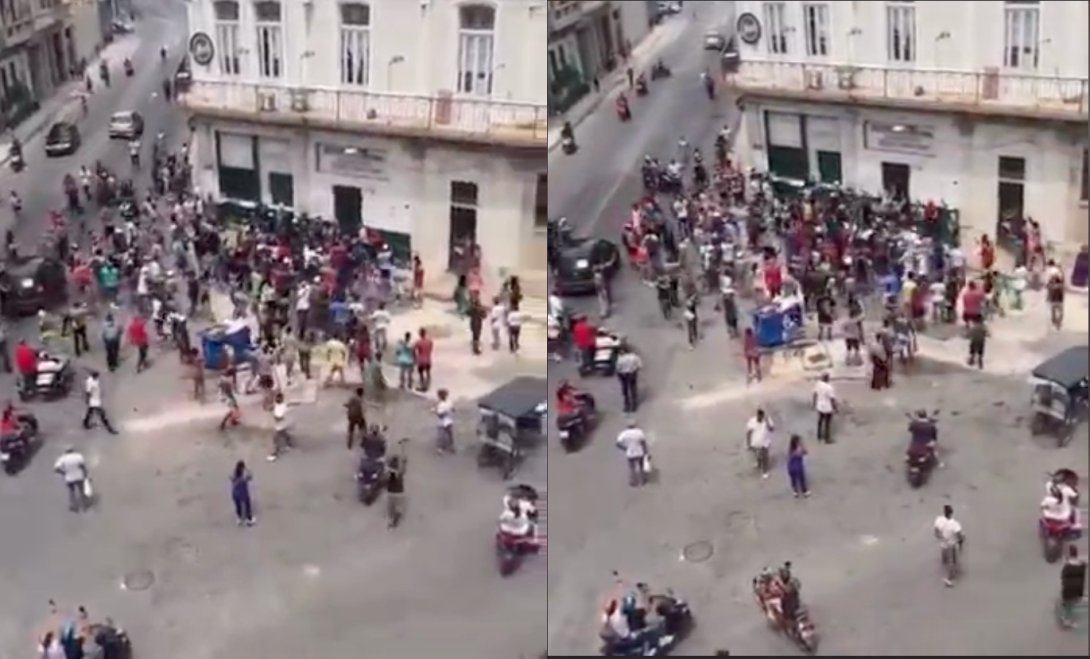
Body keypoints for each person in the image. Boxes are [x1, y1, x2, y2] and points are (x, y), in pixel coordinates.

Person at [933, 504, 964, 587]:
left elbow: (936, 532)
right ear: (951, 513)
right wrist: (961, 543)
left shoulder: (939, 520)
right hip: (951, 544)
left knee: (944, 555)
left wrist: (942, 537)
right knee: (952, 561)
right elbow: (959, 536)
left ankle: (945, 564)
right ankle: (950, 578)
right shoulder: (955, 524)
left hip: (944, 543)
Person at [615, 418, 649, 487]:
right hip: (639, 452)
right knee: (641, 467)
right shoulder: (639, 432)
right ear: (635, 425)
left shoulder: (624, 433)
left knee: (632, 468)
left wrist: (625, 449)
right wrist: (646, 451)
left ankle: (633, 482)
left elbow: (618, 444)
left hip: (630, 453)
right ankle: (642, 481)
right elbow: (643, 442)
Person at [54, 446, 89, 512]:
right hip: (79, 476)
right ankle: (84, 506)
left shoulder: (62, 459)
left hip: (69, 478)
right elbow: (83, 466)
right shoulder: (78, 456)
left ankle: (74, 507)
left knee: (71, 492)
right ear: (73, 450)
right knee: (81, 491)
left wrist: (63, 473)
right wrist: (85, 474)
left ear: (66, 451)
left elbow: (56, 469)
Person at [1059, 545, 1087, 627]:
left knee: (1068, 605)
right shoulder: (1082, 566)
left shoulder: (1067, 566)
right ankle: (1066, 618)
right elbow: (1083, 579)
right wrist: (1081, 592)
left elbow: (1063, 577)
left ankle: (1066, 620)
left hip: (1068, 589)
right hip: (1077, 588)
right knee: (1071, 604)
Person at [746, 408, 774, 478]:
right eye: (759, 417)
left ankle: (765, 471)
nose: (760, 419)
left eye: (761, 417)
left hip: (765, 442)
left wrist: (767, 422)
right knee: (757, 454)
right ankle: (758, 463)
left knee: (765, 457)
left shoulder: (767, 420)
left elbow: (772, 429)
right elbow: (749, 433)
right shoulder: (752, 421)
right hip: (755, 442)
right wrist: (748, 443)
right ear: (757, 415)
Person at [615, 347, 642, 413]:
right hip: (632, 374)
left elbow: (618, 368)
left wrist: (619, 374)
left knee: (625, 390)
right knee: (633, 389)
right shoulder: (634, 357)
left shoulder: (621, 358)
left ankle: (627, 405)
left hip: (624, 375)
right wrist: (635, 370)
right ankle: (634, 405)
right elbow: (639, 365)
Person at [812, 373, 837, 443]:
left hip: (819, 406)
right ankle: (827, 438)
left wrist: (814, 403)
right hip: (827, 407)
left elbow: (815, 394)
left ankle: (819, 436)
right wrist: (835, 408)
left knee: (820, 421)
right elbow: (832, 399)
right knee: (827, 424)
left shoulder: (818, 384)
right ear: (828, 379)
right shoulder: (829, 387)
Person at [269, 392, 293, 461]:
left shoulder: (283, 406)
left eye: (278, 398)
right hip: (282, 424)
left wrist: (276, 418)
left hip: (280, 425)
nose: (277, 399)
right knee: (283, 434)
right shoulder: (278, 405)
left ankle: (274, 453)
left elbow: (279, 416)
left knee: (275, 439)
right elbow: (270, 408)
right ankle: (289, 444)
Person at [230, 460, 255, 526]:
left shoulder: (234, 476)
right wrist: (247, 470)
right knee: (247, 505)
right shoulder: (244, 478)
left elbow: (231, 478)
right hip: (243, 494)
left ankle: (239, 518)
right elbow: (250, 476)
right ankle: (249, 519)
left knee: (238, 506)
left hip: (235, 494)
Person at [385, 451, 406, 528]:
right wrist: (404, 462)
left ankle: (392, 520)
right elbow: (403, 470)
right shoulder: (399, 472)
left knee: (391, 508)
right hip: (399, 492)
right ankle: (395, 518)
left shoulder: (388, 472)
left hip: (391, 492)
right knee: (397, 507)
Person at [413, 328, 433, 392]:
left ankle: (422, 386)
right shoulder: (430, 341)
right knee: (428, 373)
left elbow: (413, 350)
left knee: (421, 374)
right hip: (428, 359)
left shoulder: (418, 342)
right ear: (425, 333)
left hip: (421, 360)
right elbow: (431, 349)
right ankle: (427, 385)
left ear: (420, 334)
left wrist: (415, 357)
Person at [435, 388, 455, 454]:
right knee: (450, 434)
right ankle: (452, 446)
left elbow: (440, 415)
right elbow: (453, 409)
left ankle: (440, 448)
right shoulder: (450, 402)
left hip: (442, 422)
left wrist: (435, 411)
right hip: (449, 421)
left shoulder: (440, 405)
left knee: (441, 435)